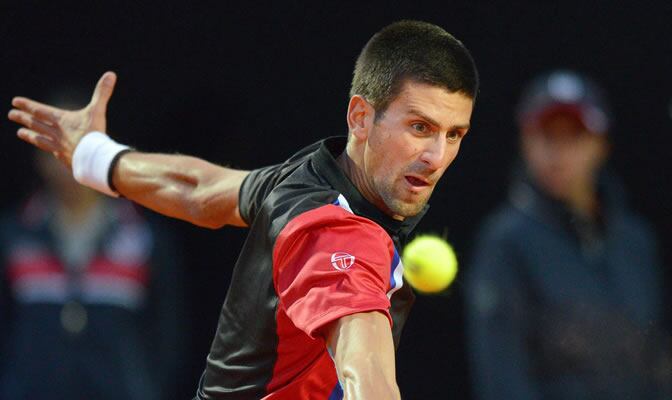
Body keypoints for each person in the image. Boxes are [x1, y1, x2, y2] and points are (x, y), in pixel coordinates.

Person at [7, 20, 479, 399]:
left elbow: (200, 188)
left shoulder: (301, 181)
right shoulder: (341, 235)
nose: (436, 156)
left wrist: (95, 156)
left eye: (454, 134)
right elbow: (366, 371)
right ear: (360, 117)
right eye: (420, 127)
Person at [465, 70, 669, 399]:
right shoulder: (504, 243)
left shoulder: (636, 242)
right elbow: (503, 378)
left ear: (601, 145)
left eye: (574, 136)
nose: (558, 153)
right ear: (525, 142)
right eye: (546, 135)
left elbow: (656, 364)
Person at [0, 149, 185, 399]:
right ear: (39, 161)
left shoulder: (143, 236)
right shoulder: (14, 234)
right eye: (56, 153)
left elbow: (167, 329)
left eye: (81, 151)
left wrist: (147, 387)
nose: (69, 164)